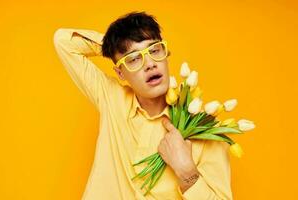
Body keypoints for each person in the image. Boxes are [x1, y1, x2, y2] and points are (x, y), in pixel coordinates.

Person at [53, 11, 233, 200]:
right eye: (134, 59)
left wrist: (186, 172)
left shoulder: (205, 130)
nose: (149, 64)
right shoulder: (111, 98)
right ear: (120, 73)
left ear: (166, 53)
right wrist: (114, 47)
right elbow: (63, 41)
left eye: (154, 50)